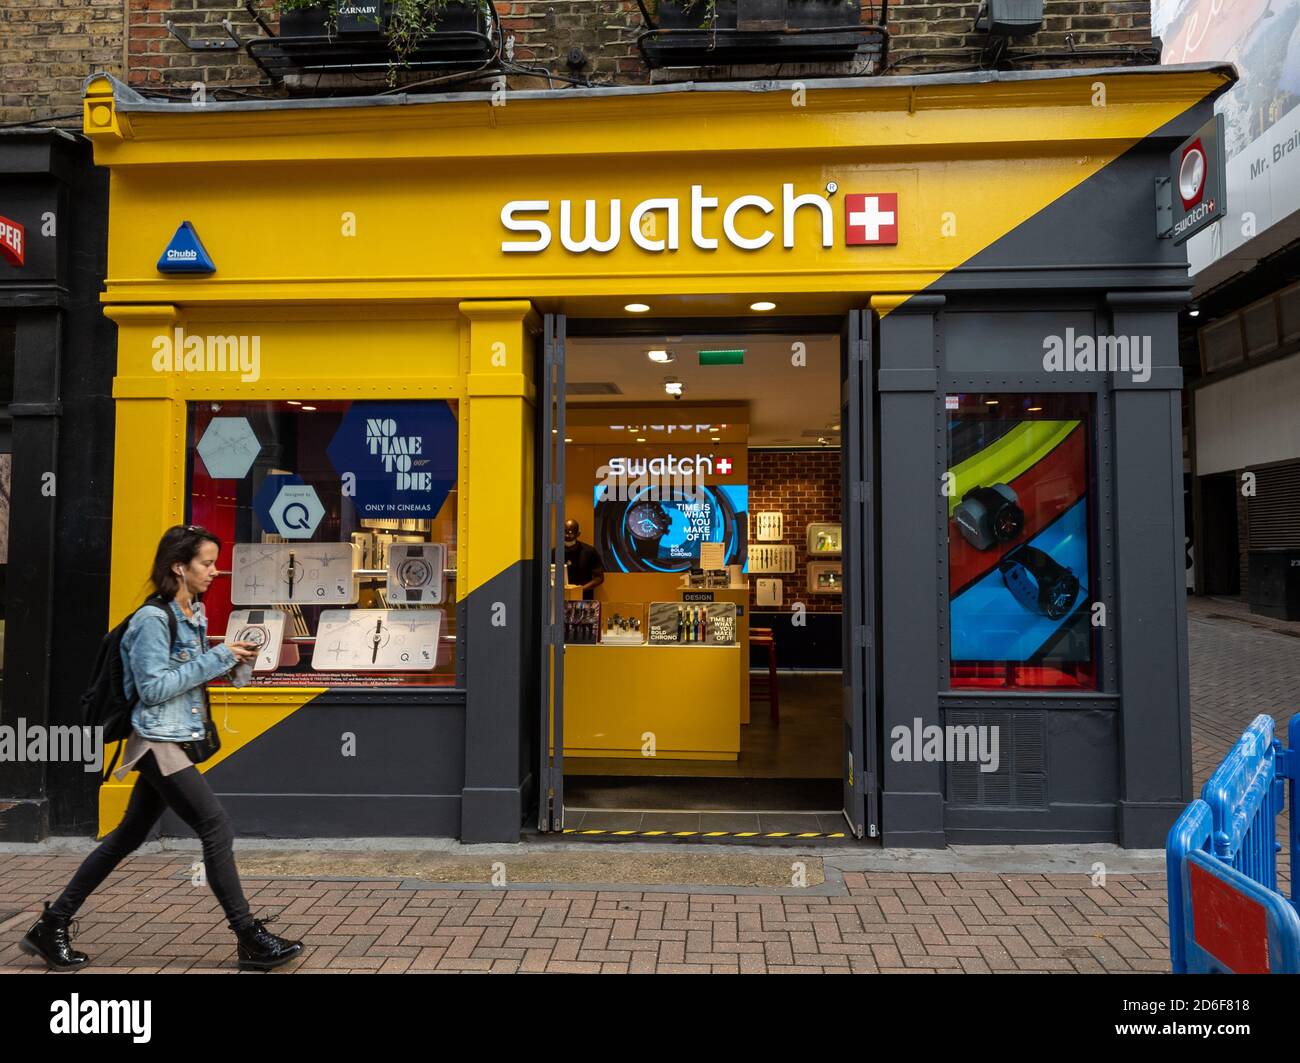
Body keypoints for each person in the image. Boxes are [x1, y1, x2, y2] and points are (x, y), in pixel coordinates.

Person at [18, 525, 305, 972]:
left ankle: (51, 924)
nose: (215, 570)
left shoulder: (194, 611)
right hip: (156, 740)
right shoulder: (152, 620)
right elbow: (153, 689)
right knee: (215, 826)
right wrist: (219, 657)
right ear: (179, 566)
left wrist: (238, 663)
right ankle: (249, 937)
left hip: (177, 737)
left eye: (214, 562)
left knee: (127, 836)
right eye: (206, 563)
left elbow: (192, 676)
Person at [564, 519, 604, 600]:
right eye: (565, 532)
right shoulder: (555, 552)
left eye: (570, 533)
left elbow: (599, 578)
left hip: (584, 599)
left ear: (578, 534)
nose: (567, 536)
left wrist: (581, 590)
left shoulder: (589, 551)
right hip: (561, 598)